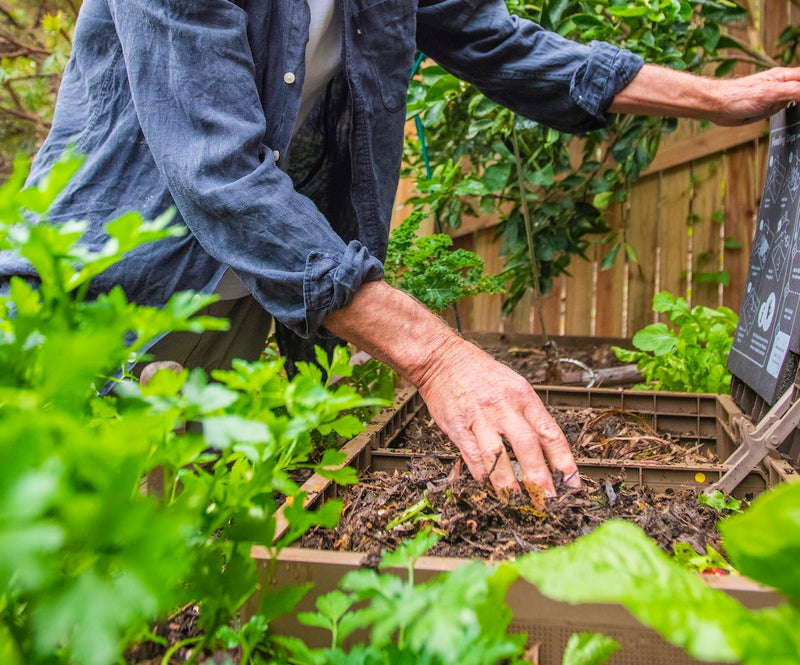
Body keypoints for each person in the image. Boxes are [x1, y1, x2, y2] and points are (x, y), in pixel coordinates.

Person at [2, 0, 799, 499]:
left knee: (193, 554)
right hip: (109, 279)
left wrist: (721, 97)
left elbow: (505, 44)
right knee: (63, 550)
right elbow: (218, 172)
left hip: (249, 291)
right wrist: (440, 358)